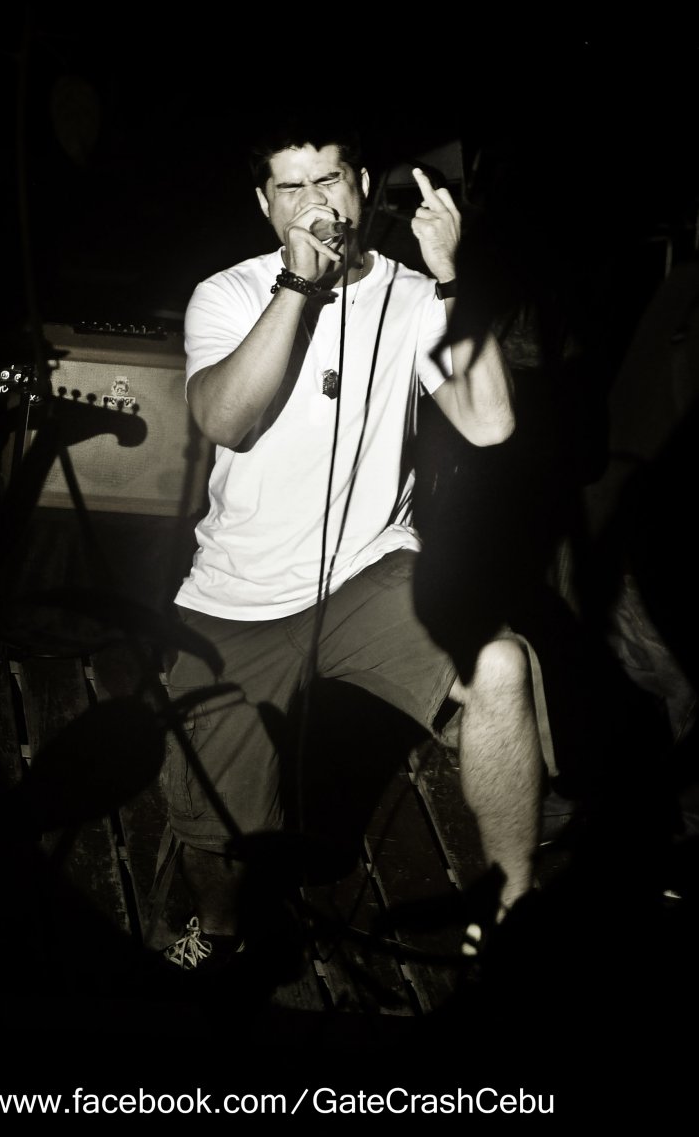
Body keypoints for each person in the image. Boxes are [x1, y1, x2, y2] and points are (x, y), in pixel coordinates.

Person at [155, 114, 556, 978]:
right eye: (291, 187)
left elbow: (490, 424)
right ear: (264, 204)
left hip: (368, 570)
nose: (314, 203)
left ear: (362, 188)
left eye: (329, 180)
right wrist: (297, 288)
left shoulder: (412, 295)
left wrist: (451, 276)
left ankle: (512, 911)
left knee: (499, 666)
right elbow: (227, 419)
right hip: (238, 594)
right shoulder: (227, 294)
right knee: (214, 833)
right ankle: (219, 931)